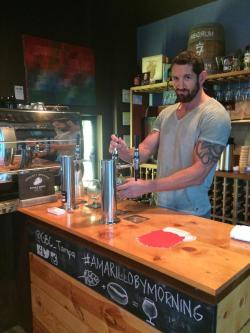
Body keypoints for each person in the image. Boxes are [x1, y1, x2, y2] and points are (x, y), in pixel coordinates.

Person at [109, 50, 231, 218]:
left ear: (202, 77)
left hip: (192, 214)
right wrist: (125, 151)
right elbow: (143, 151)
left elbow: (198, 173)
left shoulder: (214, 114)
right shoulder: (166, 114)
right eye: (175, 78)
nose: (180, 85)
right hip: (159, 208)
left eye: (187, 77)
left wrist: (148, 186)